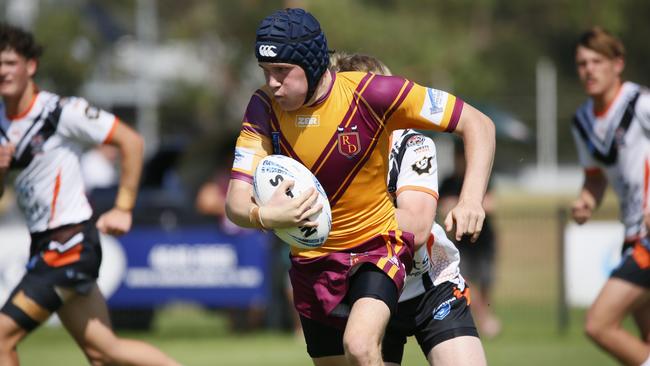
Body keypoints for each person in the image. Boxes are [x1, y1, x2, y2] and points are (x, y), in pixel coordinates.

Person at [225, 8, 495, 366]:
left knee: (359, 345)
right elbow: (236, 202)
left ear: (311, 63)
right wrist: (268, 214)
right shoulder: (262, 108)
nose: (271, 83)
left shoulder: (375, 96)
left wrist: (471, 198)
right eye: (265, 71)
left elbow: (477, 123)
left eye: (281, 72)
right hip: (316, 267)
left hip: (382, 254)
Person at [0, 23, 180, 366]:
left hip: (69, 245)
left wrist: (123, 208)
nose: (3, 71)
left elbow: (131, 141)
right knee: (104, 352)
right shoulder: (2, 122)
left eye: (10, 62)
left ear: (30, 66)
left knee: (0, 339)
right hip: (44, 245)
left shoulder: (59, 112)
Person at [331, 52, 487, 366]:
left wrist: (335, 216)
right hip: (368, 293)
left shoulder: (411, 144)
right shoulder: (328, 154)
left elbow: (416, 228)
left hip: (430, 284)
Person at [570, 26, 650, 366]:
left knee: (599, 323)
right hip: (632, 233)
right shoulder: (583, 121)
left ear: (618, 64)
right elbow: (595, 178)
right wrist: (586, 200)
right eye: (582, 63)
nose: (589, 69)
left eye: (597, 61)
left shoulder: (641, 103)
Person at [439, 140, 501, 339]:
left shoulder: (482, 180)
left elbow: (491, 204)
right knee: (466, 280)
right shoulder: (448, 181)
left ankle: (484, 316)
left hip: (484, 240)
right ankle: (483, 318)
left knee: (485, 281)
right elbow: (442, 207)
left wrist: (461, 204)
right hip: (459, 242)